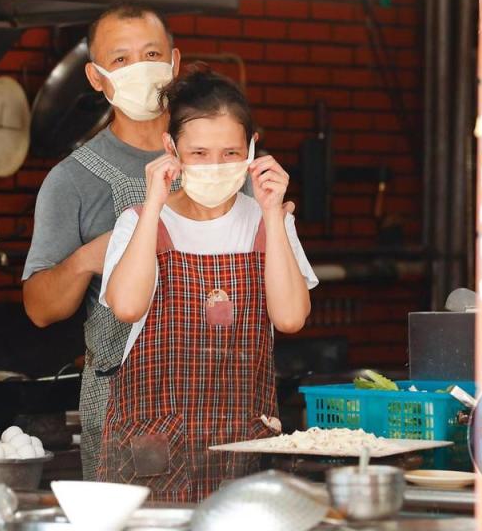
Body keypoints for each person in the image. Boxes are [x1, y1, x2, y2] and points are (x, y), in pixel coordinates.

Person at [97, 66, 318, 502]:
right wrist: (155, 202)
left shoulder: (267, 225)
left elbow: (291, 318)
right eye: (198, 153)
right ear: (170, 148)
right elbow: (126, 306)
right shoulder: (140, 224)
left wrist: (274, 214)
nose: (215, 166)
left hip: (241, 447)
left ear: (253, 149)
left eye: (230, 153)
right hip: (152, 453)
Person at [22, 3, 180, 480]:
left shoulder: (221, 161)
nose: (139, 69)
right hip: (126, 410)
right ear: (96, 78)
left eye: (151, 54)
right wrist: (90, 258)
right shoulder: (73, 180)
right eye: (120, 60)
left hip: (223, 396)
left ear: (174, 64)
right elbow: (39, 308)